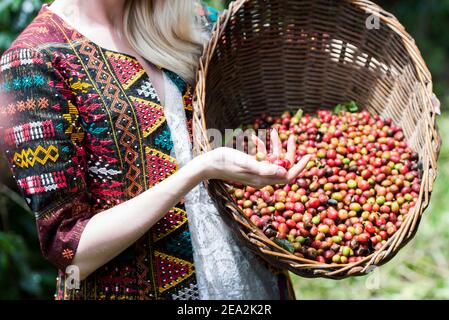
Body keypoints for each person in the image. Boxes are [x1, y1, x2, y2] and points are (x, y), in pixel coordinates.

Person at [0, 0, 310, 300]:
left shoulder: (186, 17)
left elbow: (287, 46)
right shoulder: (35, 60)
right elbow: (70, 249)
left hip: (252, 282)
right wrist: (200, 169)